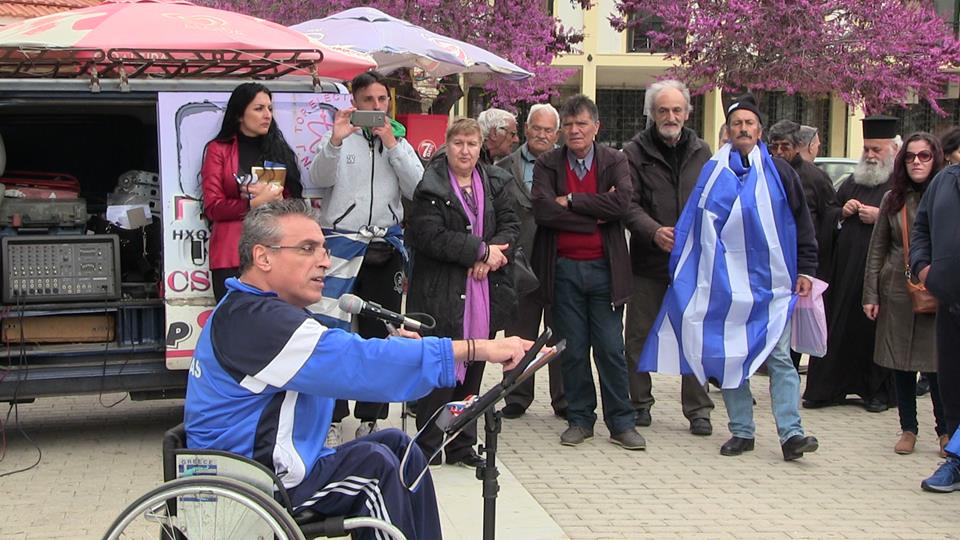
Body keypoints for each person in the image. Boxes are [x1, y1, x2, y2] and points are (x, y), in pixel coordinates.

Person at [184, 199, 533, 539]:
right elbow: (360, 364)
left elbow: (345, 352)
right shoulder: (256, 321)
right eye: (308, 249)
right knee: (374, 468)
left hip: (271, 464)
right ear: (263, 256)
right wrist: (479, 348)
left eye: (324, 249)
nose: (324, 261)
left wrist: (402, 348)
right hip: (254, 480)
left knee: (399, 446)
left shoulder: (261, 310)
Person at [637, 94, 819, 461]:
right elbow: (694, 224)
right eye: (737, 124)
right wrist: (685, 271)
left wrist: (806, 271)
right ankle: (742, 431)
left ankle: (792, 433)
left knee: (780, 357)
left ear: (760, 130)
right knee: (733, 355)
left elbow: (802, 224)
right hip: (725, 285)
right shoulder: (713, 172)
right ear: (728, 131)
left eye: (750, 123)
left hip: (772, 285)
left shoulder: (781, 172)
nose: (743, 129)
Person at [306, 70, 425, 444]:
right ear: (354, 102)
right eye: (369, 101)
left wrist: (393, 144)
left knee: (381, 332)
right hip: (341, 244)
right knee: (333, 330)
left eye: (382, 100)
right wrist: (337, 141)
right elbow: (318, 178)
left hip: (385, 246)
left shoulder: (396, 141)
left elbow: (418, 185)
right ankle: (331, 416)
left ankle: (370, 418)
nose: (377, 108)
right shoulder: (340, 137)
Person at [531, 94, 646, 450]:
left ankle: (622, 422)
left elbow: (622, 203)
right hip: (563, 269)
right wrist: (593, 218)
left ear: (596, 127)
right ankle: (580, 419)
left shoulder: (615, 160)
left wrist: (574, 201)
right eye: (568, 125)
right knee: (573, 349)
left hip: (605, 271)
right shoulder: (549, 163)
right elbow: (543, 210)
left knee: (610, 348)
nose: (574, 130)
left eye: (582, 124)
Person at [406, 118, 520, 467]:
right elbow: (428, 235)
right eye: (458, 143)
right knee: (442, 367)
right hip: (441, 291)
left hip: (483, 291)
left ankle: (462, 444)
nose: (465, 151)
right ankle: (427, 446)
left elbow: (512, 226)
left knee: (474, 369)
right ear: (447, 144)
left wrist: (489, 258)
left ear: (480, 146)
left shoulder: (496, 180)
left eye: (472, 144)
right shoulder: (430, 185)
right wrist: (478, 250)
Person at [622, 80, 715, 435]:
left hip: (693, 263)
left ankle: (698, 410)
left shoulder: (703, 151)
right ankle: (638, 404)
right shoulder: (633, 152)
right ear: (651, 114)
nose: (670, 116)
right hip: (648, 260)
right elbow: (627, 204)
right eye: (663, 110)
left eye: (677, 110)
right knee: (639, 336)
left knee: (694, 335)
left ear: (688, 113)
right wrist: (652, 230)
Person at [804, 116, 901, 412]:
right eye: (867, 149)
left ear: (893, 151)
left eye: (877, 150)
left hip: (879, 278)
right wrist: (842, 213)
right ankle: (830, 389)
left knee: (872, 333)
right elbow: (830, 213)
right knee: (839, 328)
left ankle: (876, 392)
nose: (870, 156)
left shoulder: (899, 185)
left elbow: (911, 227)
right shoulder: (852, 181)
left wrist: (881, 217)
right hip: (844, 274)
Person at [862, 132, 945, 455]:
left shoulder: (947, 194)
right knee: (901, 364)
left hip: (938, 286)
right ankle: (908, 428)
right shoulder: (892, 198)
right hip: (896, 287)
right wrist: (871, 294)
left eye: (924, 156)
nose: (916, 162)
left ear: (935, 158)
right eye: (910, 157)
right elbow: (877, 249)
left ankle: (945, 429)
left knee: (937, 364)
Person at [495, 104, 567, 420]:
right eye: (536, 128)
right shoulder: (504, 165)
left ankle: (563, 399)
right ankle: (515, 396)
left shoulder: (568, 165)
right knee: (519, 332)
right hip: (518, 263)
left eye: (548, 130)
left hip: (558, 260)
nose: (541, 134)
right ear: (526, 130)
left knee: (560, 331)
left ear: (557, 134)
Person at [201, 82, 303, 301]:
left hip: (274, 250)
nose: (267, 115)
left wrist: (276, 198)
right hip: (230, 254)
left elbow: (295, 205)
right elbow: (212, 208)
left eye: (270, 109)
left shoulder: (280, 150)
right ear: (239, 115)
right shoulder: (218, 149)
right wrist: (252, 203)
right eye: (259, 109)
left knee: (273, 323)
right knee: (234, 323)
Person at [912, 146, 960, 493]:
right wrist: (924, 268)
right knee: (952, 385)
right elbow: (921, 230)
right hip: (952, 302)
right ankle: (957, 462)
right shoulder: (944, 181)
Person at [768, 120, 838, 283]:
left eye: (785, 146)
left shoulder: (816, 178)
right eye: (774, 147)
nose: (779, 152)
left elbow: (829, 217)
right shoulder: (762, 174)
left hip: (804, 262)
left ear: (797, 146)